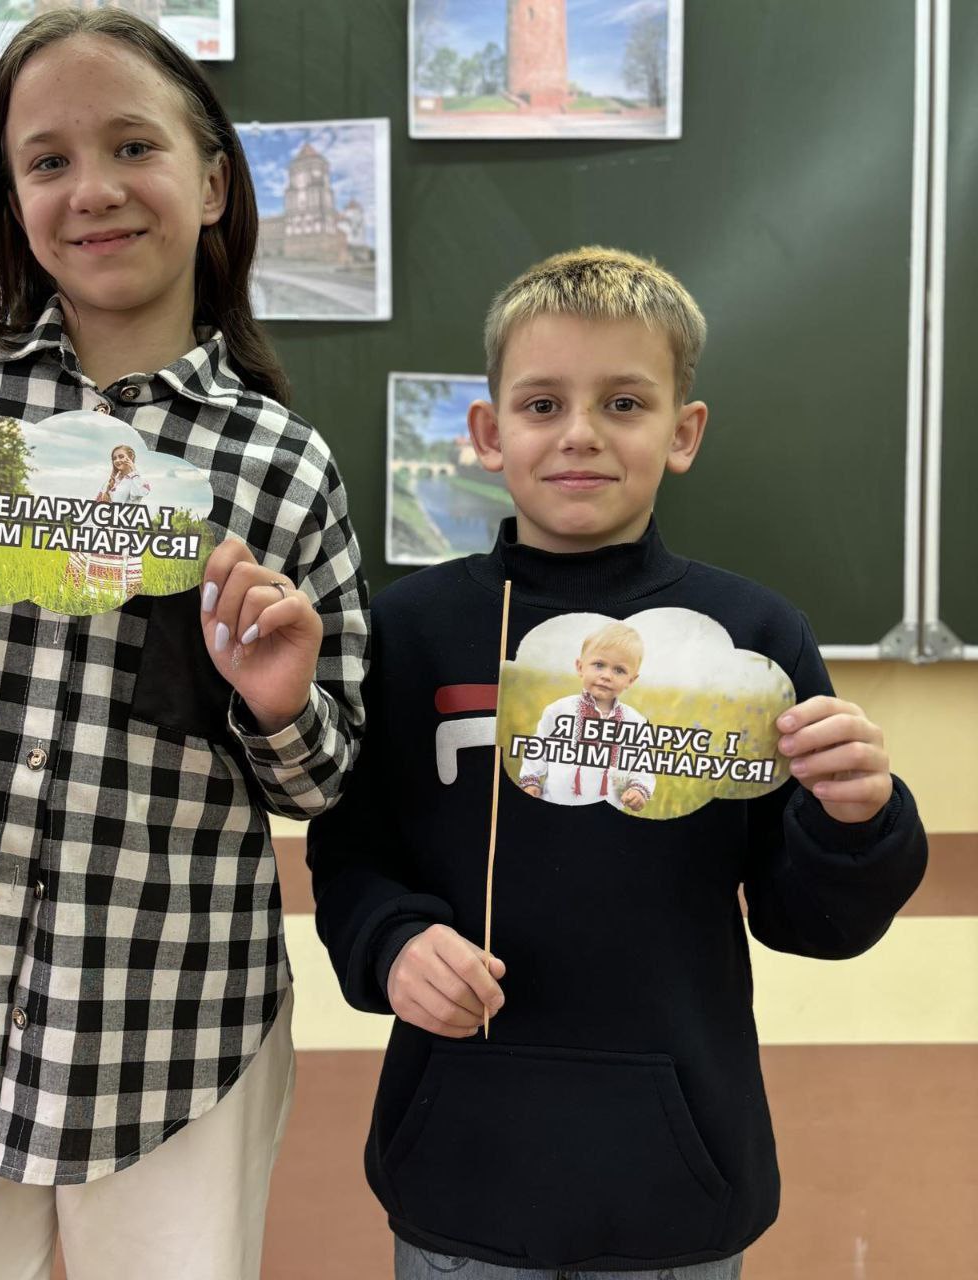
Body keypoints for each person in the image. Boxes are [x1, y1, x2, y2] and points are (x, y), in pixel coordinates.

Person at [0, 11, 368, 1279]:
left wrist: (280, 703)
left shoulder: (280, 465)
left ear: (212, 182)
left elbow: (320, 777)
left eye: (133, 145)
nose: (92, 189)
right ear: (10, 198)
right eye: (47, 160)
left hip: (174, 1022)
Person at [307, 246, 927, 1279]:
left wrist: (856, 819)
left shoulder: (755, 638)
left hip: (674, 1188)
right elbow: (351, 852)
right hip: (460, 1168)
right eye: (541, 404)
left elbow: (808, 919)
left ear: (682, 432)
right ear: (487, 432)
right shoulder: (409, 629)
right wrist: (393, 942)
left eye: (624, 403)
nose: (580, 434)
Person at [519, 620, 656, 812]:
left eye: (619, 670)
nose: (607, 675)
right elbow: (538, 748)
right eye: (599, 665)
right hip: (555, 804)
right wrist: (531, 781)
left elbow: (642, 765)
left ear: (631, 680)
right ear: (580, 667)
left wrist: (638, 790)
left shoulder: (635, 722)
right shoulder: (558, 711)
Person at [65, 443, 152, 601]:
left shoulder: (137, 480)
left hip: (122, 529)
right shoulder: (111, 481)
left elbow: (139, 492)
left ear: (131, 457)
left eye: (121, 456)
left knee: (116, 567)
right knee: (83, 556)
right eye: (114, 458)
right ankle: (83, 597)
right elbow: (97, 506)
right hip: (103, 528)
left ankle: (113, 600)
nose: (117, 460)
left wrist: (133, 471)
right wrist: (85, 528)